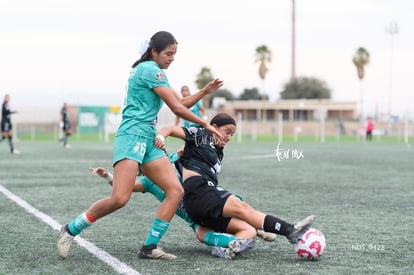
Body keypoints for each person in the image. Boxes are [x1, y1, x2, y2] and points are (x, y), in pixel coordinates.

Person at [57, 30, 224, 260]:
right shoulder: (149, 70)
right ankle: (70, 229)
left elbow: (179, 102)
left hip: (148, 136)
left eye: (175, 54)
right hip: (132, 135)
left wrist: (204, 91)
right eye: (168, 53)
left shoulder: (154, 71)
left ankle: (149, 247)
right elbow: (177, 109)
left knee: (175, 191)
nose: (172, 58)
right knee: (120, 198)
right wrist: (205, 123)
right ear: (154, 52)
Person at [154, 113, 316, 256]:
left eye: (232, 134)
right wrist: (160, 138)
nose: (229, 137)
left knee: (249, 232)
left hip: (199, 206)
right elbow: (170, 129)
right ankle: (290, 230)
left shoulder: (218, 152)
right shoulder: (201, 134)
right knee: (242, 208)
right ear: (215, 127)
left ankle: (223, 249)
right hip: (198, 191)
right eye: (227, 131)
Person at [89, 147, 277, 259]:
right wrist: (107, 177)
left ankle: (256, 228)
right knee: (202, 234)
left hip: (207, 204)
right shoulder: (147, 182)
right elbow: (123, 187)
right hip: (196, 220)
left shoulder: (171, 162)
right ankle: (229, 245)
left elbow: (185, 153)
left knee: (237, 207)